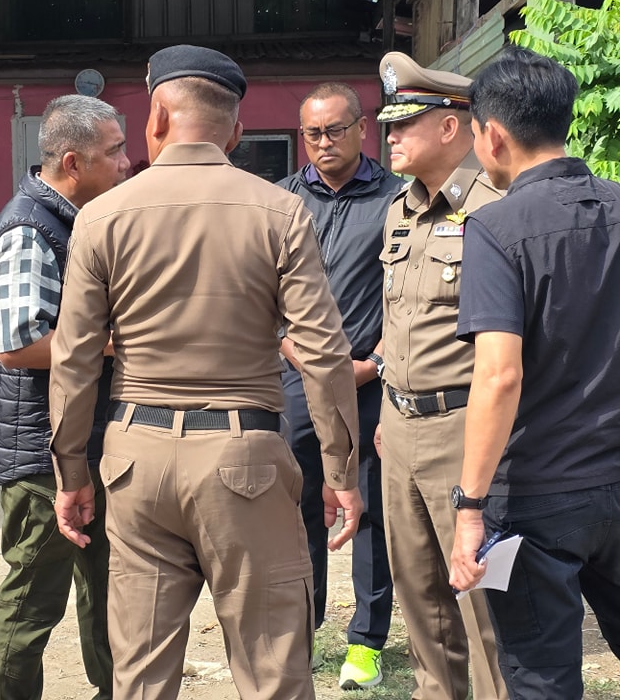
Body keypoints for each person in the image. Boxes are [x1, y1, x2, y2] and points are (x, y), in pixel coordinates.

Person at [50, 44, 363, 700]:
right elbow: (324, 353)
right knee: (273, 672)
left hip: (134, 461)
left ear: (158, 116)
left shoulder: (101, 217)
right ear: (236, 131)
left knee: (141, 675)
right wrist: (340, 471)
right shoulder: (280, 212)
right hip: (244, 461)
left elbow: (74, 358)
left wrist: (71, 471)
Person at [448, 47, 620, 698]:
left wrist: (469, 508)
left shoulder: (495, 228)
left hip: (536, 498)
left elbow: (498, 376)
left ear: (491, 136)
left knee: (543, 679)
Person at [0, 94, 129, 700]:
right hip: (41, 451)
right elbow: (19, 345)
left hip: (81, 439)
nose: (126, 162)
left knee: (109, 590)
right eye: (114, 151)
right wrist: (120, 342)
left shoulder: (75, 221)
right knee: (33, 602)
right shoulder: (29, 230)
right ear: (73, 162)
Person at [374, 52, 508, 700]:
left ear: (451, 126)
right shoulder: (400, 209)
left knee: (485, 611)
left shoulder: (495, 206)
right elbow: (398, 322)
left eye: (405, 123)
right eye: (389, 125)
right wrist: (386, 411)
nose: (390, 136)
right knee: (420, 602)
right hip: (399, 426)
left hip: (463, 429)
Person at [277, 82, 401, 690]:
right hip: (296, 381)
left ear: (361, 129)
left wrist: (374, 362)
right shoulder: (281, 200)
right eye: (312, 133)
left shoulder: (397, 199)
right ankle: (303, 629)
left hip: (370, 381)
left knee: (371, 507)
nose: (323, 142)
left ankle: (366, 642)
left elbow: (410, 299)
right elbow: (264, 288)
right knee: (298, 504)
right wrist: (290, 348)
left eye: (335, 130)